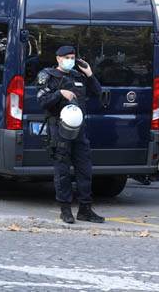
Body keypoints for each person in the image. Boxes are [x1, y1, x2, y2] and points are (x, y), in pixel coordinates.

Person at [36, 45, 105, 224]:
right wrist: (59, 93)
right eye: (66, 57)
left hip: (79, 130)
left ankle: (85, 209)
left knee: (85, 170)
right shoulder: (48, 76)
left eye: (72, 57)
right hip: (59, 130)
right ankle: (65, 210)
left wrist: (90, 74)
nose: (70, 60)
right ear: (58, 59)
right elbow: (42, 101)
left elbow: (99, 94)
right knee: (62, 171)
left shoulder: (78, 76)